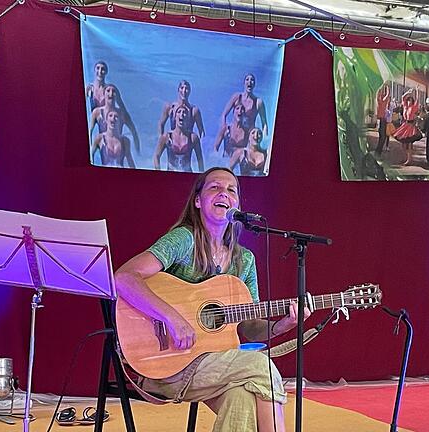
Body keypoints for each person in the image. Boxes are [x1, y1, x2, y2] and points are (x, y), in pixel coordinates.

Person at [115, 167, 311, 432]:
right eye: (215, 187)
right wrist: (172, 318)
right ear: (198, 200)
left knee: (242, 398)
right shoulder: (185, 240)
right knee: (261, 366)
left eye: (232, 190)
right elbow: (124, 277)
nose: (224, 194)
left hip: (213, 365)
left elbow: (248, 327)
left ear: (238, 204)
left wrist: (281, 325)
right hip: (166, 364)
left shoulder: (245, 261)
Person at [89, 84, 141, 156]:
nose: (111, 93)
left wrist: (138, 151)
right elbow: (90, 131)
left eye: (114, 92)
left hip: (118, 151)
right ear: (104, 94)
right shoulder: (97, 112)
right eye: (108, 91)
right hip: (102, 151)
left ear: (117, 96)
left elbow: (133, 131)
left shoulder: (122, 114)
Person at [154, 104, 204, 172]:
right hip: (170, 177)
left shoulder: (193, 138)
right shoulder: (167, 137)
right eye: (179, 112)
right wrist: (158, 173)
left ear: (188, 118)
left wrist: (202, 178)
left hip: (187, 176)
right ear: (175, 116)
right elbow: (156, 156)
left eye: (185, 113)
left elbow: (200, 159)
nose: (182, 114)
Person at [219, 73, 268, 137]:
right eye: (247, 79)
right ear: (244, 83)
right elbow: (224, 115)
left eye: (252, 80)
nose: (249, 81)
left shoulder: (258, 102)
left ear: (254, 84)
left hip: (248, 138)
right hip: (234, 134)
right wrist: (224, 128)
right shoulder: (236, 97)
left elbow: (264, 124)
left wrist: (264, 140)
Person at [392, 88, 422, 166]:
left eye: (410, 101)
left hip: (410, 126)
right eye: (408, 100)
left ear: (412, 102)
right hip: (405, 125)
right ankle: (408, 157)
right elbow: (402, 97)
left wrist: (417, 91)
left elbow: (418, 100)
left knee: (409, 143)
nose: (409, 102)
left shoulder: (413, 107)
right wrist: (408, 93)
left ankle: (409, 159)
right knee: (403, 144)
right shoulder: (405, 106)